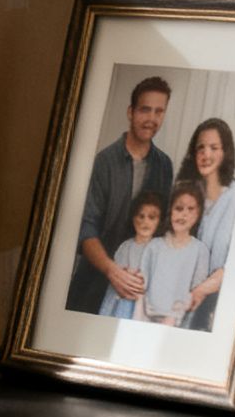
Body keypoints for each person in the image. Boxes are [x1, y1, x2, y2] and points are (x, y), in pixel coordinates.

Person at [65, 75, 176, 315]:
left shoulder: (164, 166)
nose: (152, 119)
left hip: (138, 289)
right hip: (94, 282)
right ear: (130, 112)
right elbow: (86, 228)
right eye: (145, 110)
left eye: (159, 111)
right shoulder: (103, 162)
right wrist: (113, 271)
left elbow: (161, 230)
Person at [183, 118, 235, 332]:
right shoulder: (187, 195)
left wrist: (201, 290)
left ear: (225, 152)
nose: (206, 154)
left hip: (220, 307)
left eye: (214, 148)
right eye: (201, 148)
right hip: (183, 302)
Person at [140, 178, 212, 326]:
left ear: (198, 214)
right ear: (170, 211)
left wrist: (173, 317)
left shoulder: (200, 251)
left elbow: (195, 293)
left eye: (190, 209)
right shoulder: (154, 246)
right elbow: (142, 286)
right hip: (146, 319)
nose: (183, 214)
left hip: (178, 323)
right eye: (179, 208)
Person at [96, 191, 164, 320]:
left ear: (158, 221)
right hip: (121, 296)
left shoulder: (159, 249)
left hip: (142, 302)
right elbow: (117, 272)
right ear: (133, 219)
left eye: (151, 217)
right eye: (141, 216)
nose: (145, 221)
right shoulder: (125, 246)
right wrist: (127, 275)